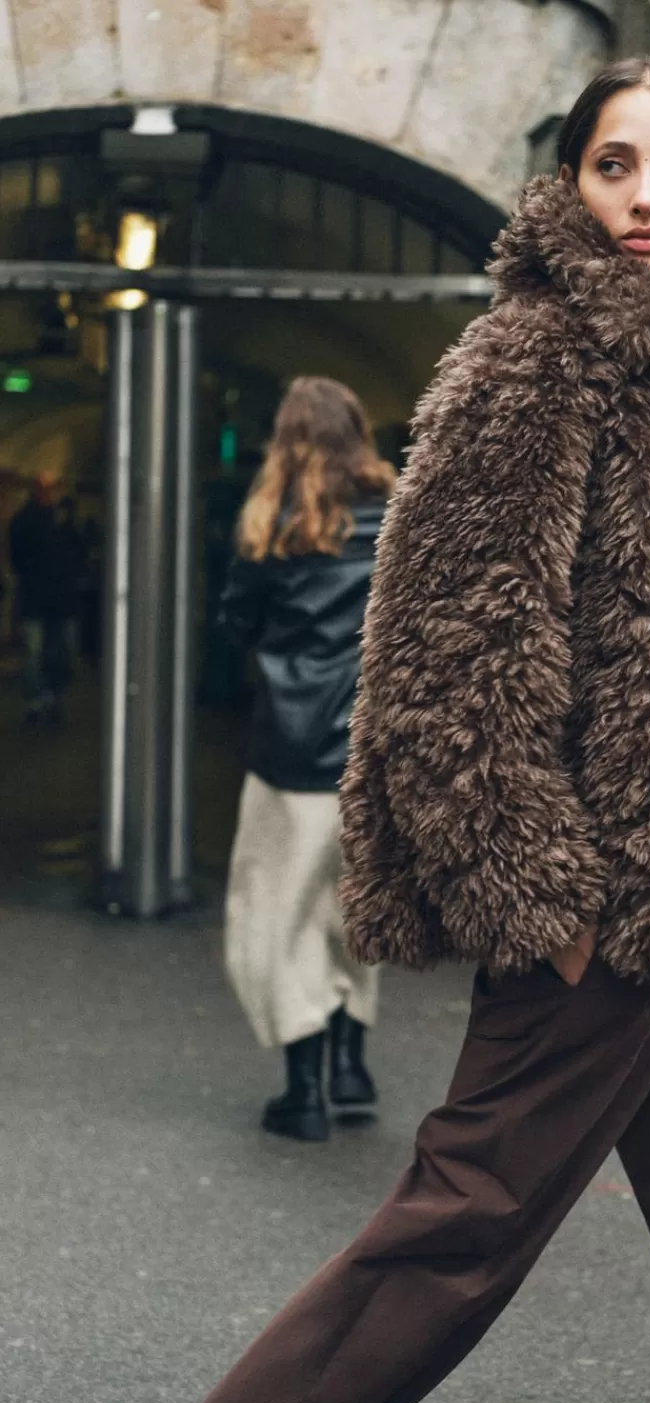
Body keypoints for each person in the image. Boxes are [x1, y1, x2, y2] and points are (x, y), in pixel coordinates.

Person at [123, 59, 650, 1403]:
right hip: (588, 917)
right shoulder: (529, 366)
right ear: (570, 184)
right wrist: (549, 904)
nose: (645, 197)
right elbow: (445, 667)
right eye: (615, 165)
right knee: (450, 1245)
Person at [217, 377, 395, 1142]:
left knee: (277, 916)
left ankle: (304, 1092)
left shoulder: (273, 525)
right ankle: (353, 1065)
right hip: (372, 753)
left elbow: (236, 621)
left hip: (291, 759)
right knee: (352, 910)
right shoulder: (398, 516)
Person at [8, 472, 80, 722]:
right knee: (38, 652)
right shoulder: (31, 522)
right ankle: (39, 699)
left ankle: (49, 696)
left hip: (53, 599)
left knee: (54, 652)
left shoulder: (56, 521)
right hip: (43, 599)